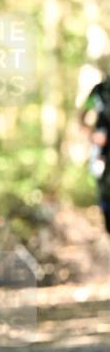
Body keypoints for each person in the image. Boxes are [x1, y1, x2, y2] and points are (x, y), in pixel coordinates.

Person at [80, 74, 110, 234]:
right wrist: (92, 135)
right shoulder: (99, 90)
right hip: (101, 150)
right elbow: (82, 116)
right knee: (103, 189)